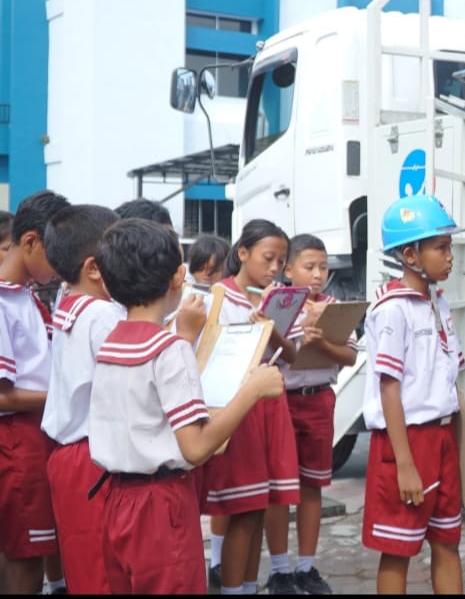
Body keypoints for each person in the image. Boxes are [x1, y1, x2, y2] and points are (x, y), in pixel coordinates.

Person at [87, 218, 285, 594]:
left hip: (117, 499)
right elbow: (194, 447)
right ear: (179, 278)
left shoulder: (113, 341)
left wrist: (186, 335)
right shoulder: (168, 348)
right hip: (162, 503)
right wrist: (252, 390)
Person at [361, 194, 465, 594]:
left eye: (449, 245)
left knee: (447, 540)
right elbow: (389, 386)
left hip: (440, 438)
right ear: (410, 255)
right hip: (405, 441)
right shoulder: (392, 309)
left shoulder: (437, 303)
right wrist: (405, 464)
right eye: (440, 247)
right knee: (398, 547)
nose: (450, 256)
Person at [202, 219, 299, 595]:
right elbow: (211, 354)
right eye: (268, 258)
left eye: (281, 261)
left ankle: (247, 584)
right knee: (241, 505)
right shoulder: (218, 297)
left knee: (261, 505)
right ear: (242, 253)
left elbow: (291, 354)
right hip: (237, 409)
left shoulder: (273, 298)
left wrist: (272, 325)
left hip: (270, 408)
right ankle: (230, 587)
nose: (275, 268)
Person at [264, 233, 360, 595]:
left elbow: (350, 357)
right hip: (281, 400)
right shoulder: (278, 305)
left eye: (323, 267)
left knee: (312, 485)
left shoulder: (334, 306)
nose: (318, 275)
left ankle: (306, 567)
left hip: (319, 400)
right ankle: (279, 570)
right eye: (309, 267)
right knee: (279, 486)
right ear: (288, 270)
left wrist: (322, 343)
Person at [38, 205, 122, 595]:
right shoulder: (104, 315)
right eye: (121, 255)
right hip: (94, 459)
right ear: (93, 268)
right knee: (105, 572)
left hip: (68, 457)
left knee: (85, 569)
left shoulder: (68, 300)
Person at [0, 190, 70, 594]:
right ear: (30, 242)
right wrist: (62, 395)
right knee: (25, 557)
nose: (61, 267)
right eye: (57, 254)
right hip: (16, 443)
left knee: (21, 550)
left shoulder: (26, 296)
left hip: (32, 438)